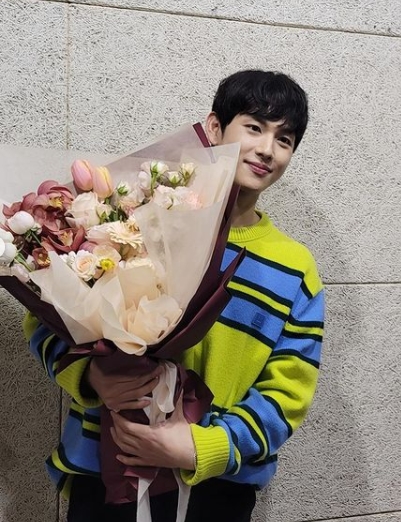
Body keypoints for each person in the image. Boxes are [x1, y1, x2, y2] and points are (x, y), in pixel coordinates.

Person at [24, 69, 325, 522]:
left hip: (215, 488)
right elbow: (43, 316)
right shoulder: (134, 219)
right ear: (215, 128)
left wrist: (204, 446)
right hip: (107, 467)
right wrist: (90, 376)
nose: (267, 149)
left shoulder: (294, 266)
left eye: (284, 140)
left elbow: (288, 390)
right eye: (254, 127)